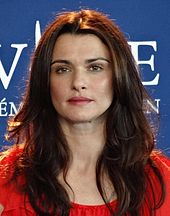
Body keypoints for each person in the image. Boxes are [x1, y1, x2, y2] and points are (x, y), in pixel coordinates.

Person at [0, 9, 169, 216]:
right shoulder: (5, 180)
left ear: (119, 76)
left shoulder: (161, 180)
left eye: (95, 67)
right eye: (62, 69)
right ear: (44, 81)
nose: (78, 83)